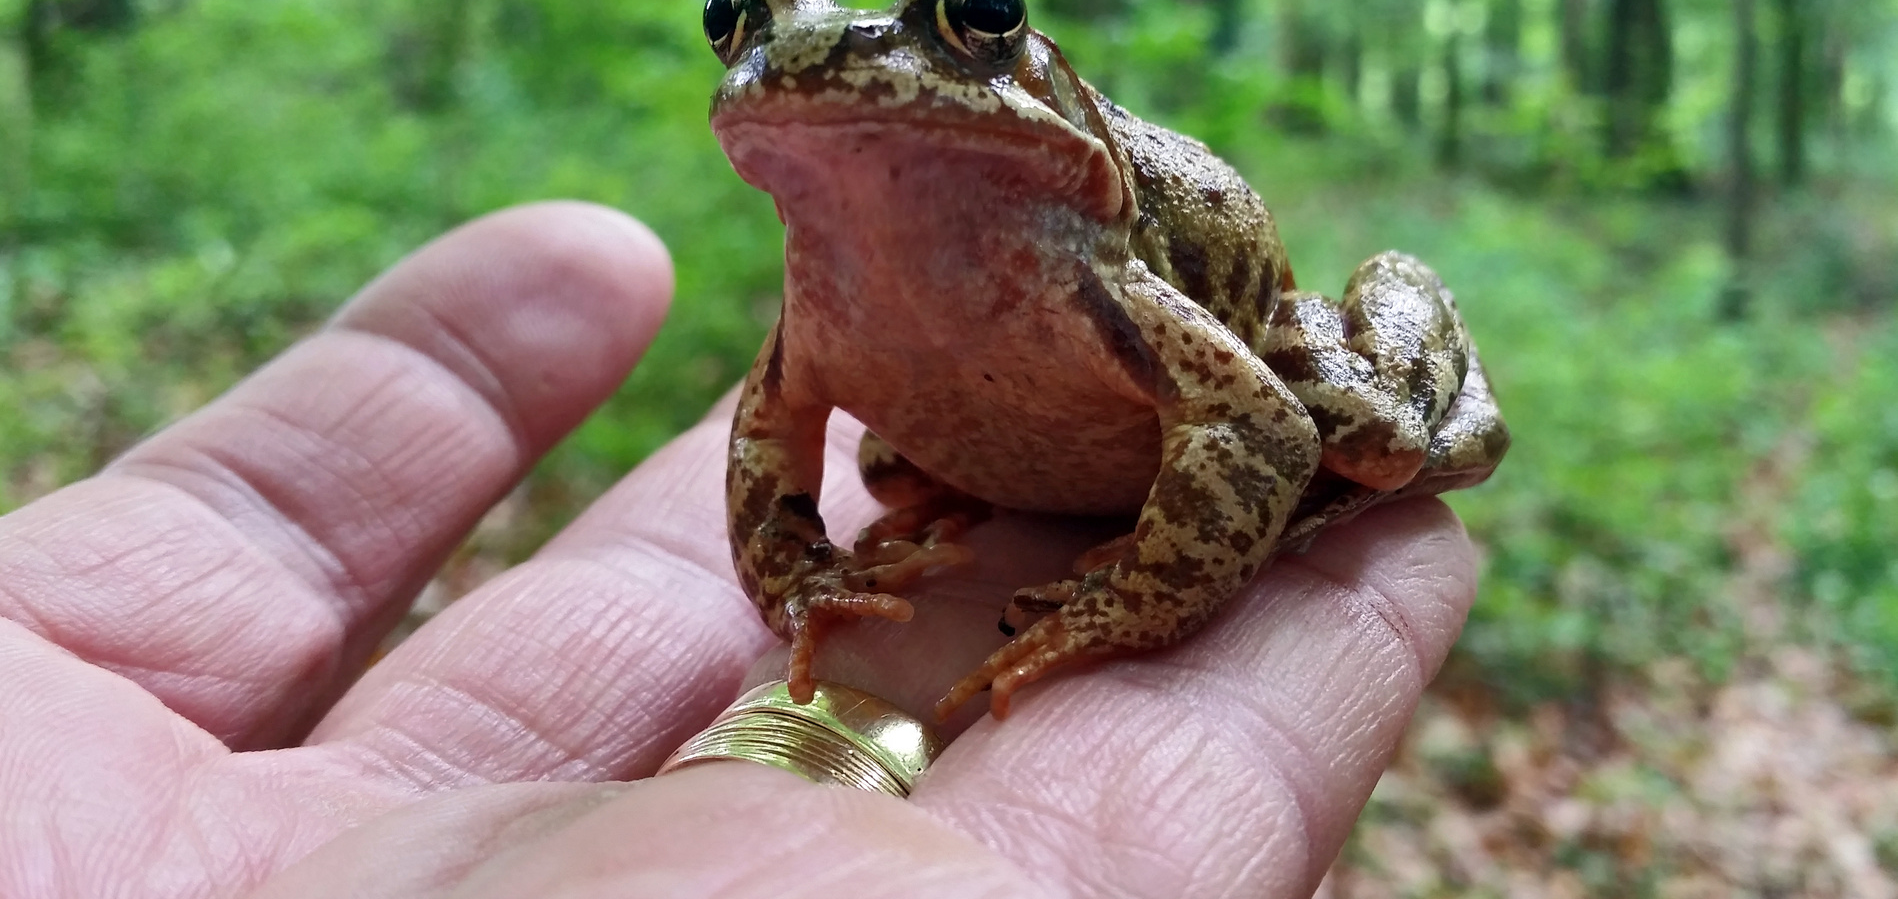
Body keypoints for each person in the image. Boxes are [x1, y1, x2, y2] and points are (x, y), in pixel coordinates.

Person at [0, 202, 1477, 898]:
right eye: (742, 29)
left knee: (1375, 442)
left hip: (1265, 353)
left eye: (969, 26)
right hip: (1039, 422)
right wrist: (803, 580)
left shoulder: (1079, 242)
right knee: (896, 470)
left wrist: (1135, 600)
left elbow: (1267, 434)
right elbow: (779, 435)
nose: (807, 67)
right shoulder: (838, 264)